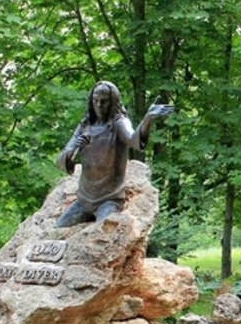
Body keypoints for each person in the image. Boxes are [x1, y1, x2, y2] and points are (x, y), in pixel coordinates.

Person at [54, 80, 173, 228]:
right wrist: (74, 149)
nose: (99, 105)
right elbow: (60, 161)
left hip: (109, 200)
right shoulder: (85, 126)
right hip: (84, 200)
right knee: (58, 228)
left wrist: (147, 119)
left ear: (113, 102)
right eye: (95, 100)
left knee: (106, 230)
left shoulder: (119, 123)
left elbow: (135, 141)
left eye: (104, 101)